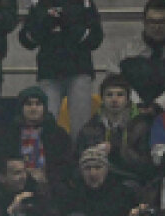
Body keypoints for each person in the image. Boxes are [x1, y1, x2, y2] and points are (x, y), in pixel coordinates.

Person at [19, 0, 104, 140]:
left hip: (79, 69)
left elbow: (96, 38)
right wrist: (43, 26)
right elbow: (26, 40)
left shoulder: (84, 2)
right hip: (49, 71)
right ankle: (44, 157)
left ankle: (79, 156)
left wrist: (70, 25)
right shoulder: (39, 3)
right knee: (45, 120)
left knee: (81, 124)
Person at [76, 74, 156, 188]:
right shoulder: (89, 128)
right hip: (96, 181)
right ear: (102, 99)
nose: (114, 99)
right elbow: (77, 163)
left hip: (129, 180)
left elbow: (146, 167)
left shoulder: (141, 126)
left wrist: (116, 150)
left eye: (120, 95)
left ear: (128, 99)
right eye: (109, 95)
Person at [116, 0, 165, 114]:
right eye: (152, 22)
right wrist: (137, 105)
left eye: (163, 22)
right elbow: (114, 82)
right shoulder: (125, 51)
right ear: (143, 22)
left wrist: (158, 105)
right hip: (131, 114)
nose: (157, 27)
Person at [58, 145, 138, 216]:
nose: (93, 173)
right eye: (87, 168)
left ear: (106, 169)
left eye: (97, 167)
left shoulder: (122, 194)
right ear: (81, 172)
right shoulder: (72, 196)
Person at [0, 86, 74, 188]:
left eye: (38, 104)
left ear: (44, 108)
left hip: (51, 186)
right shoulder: (9, 134)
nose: (33, 108)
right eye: (29, 104)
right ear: (21, 108)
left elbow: (65, 165)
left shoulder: (58, 134)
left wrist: (47, 177)